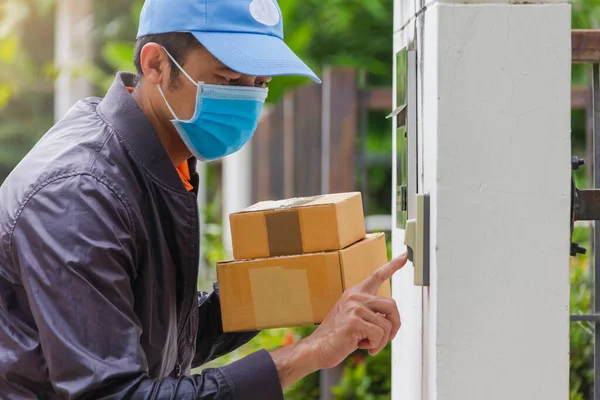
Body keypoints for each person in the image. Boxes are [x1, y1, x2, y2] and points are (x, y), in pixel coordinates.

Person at [0, 0, 407, 398]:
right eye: (230, 79)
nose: (248, 99)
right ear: (155, 64)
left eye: (260, 84)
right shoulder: (78, 197)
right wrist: (307, 354)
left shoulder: (155, 160)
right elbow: (114, 392)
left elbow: (163, 335)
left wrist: (313, 287)